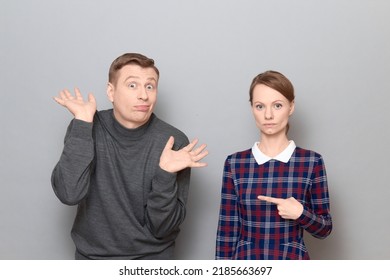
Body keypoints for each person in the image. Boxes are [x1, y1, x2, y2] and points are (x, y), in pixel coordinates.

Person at [51, 52, 208, 260]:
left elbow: (163, 228)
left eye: (150, 86)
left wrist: (165, 175)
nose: (144, 95)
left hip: (153, 261)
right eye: (132, 85)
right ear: (111, 91)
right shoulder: (86, 126)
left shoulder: (174, 142)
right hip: (92, 259)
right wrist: (82, 124)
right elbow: (69, 194)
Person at [215, 70, 332, 260]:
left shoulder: (311, 162)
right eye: (260, 106)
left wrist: (300, 213)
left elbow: (324, 229)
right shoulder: (235, 164)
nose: (268, 115)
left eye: (277, 105)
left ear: (291, 107)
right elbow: (227, 232)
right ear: (252, 108)